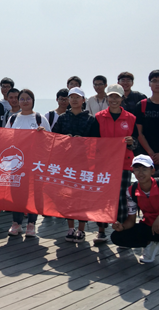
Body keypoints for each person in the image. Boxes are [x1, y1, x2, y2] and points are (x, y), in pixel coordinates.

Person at [52, 88, 101, 243]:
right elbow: (54, 138)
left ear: (83, 100)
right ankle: (70, 228)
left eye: (77, 97)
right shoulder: (62, 118)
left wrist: (84, 141)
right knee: (67, 196)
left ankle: (81, 229)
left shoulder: (91, 119)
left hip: (84, 164)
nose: (74, 100)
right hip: (66, 163)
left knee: (82, 197)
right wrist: (64, 139)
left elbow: (98, 142)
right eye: (71, 97)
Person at [94, 84, 138, 243]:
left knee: (122, 198)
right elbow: (93, 140)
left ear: (122, 98)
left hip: (124, 163)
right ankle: (101, 231)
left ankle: (122, 231)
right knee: (102, 196)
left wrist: (131, 142)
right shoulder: (98, 117)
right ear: (107, 97)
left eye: (117, 96)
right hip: (103, 164)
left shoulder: (131, 118)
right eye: (111, 96)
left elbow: (136, 142)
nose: (114, 99)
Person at [5, 89, 51, 238]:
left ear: (33, 100)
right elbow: (5, 138)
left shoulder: (40, 118)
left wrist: (43, 133)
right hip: (16, 164)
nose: (25, 101)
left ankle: (31, 224)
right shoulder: (13, 119)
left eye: (28, 99)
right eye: (22, 99)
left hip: (35, 163)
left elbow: (50, 140)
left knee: (34, 194)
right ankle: (16, 223)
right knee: (16, 193)